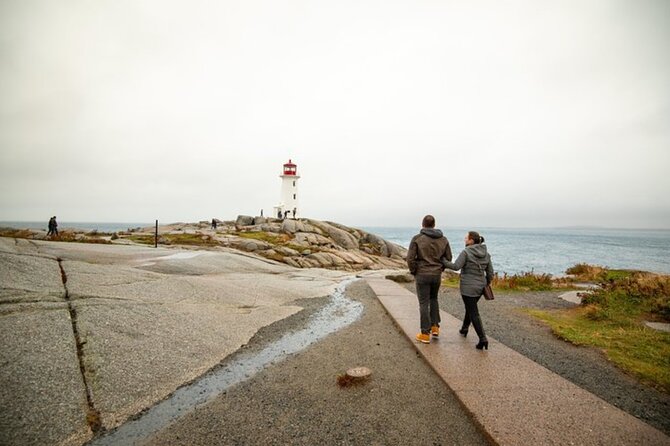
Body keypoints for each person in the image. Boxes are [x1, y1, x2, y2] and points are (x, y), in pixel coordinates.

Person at [442, 231, 494, 350]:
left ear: (471, 241)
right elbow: (490, 273)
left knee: (473, 311)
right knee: (470, 307)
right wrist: (486, 282)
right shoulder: (486, 254)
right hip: (480, 287)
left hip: (468, 286)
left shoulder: (466, 252)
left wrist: (443, 261)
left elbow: (456, 266)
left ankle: (483, 339)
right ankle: (464, 328)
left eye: (466, 238)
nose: (465, 239)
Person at [407, 215, 452, 344]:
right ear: (434, 225)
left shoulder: (417, 238)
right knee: (434, 299)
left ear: (423, 224)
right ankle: (435, 327)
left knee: (423, 303)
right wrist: (440, 268)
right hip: (436, 275)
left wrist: (414, 270)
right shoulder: (443, 239)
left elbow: (410, 258)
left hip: (422, 274)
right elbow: (448, 257)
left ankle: (425, 333)